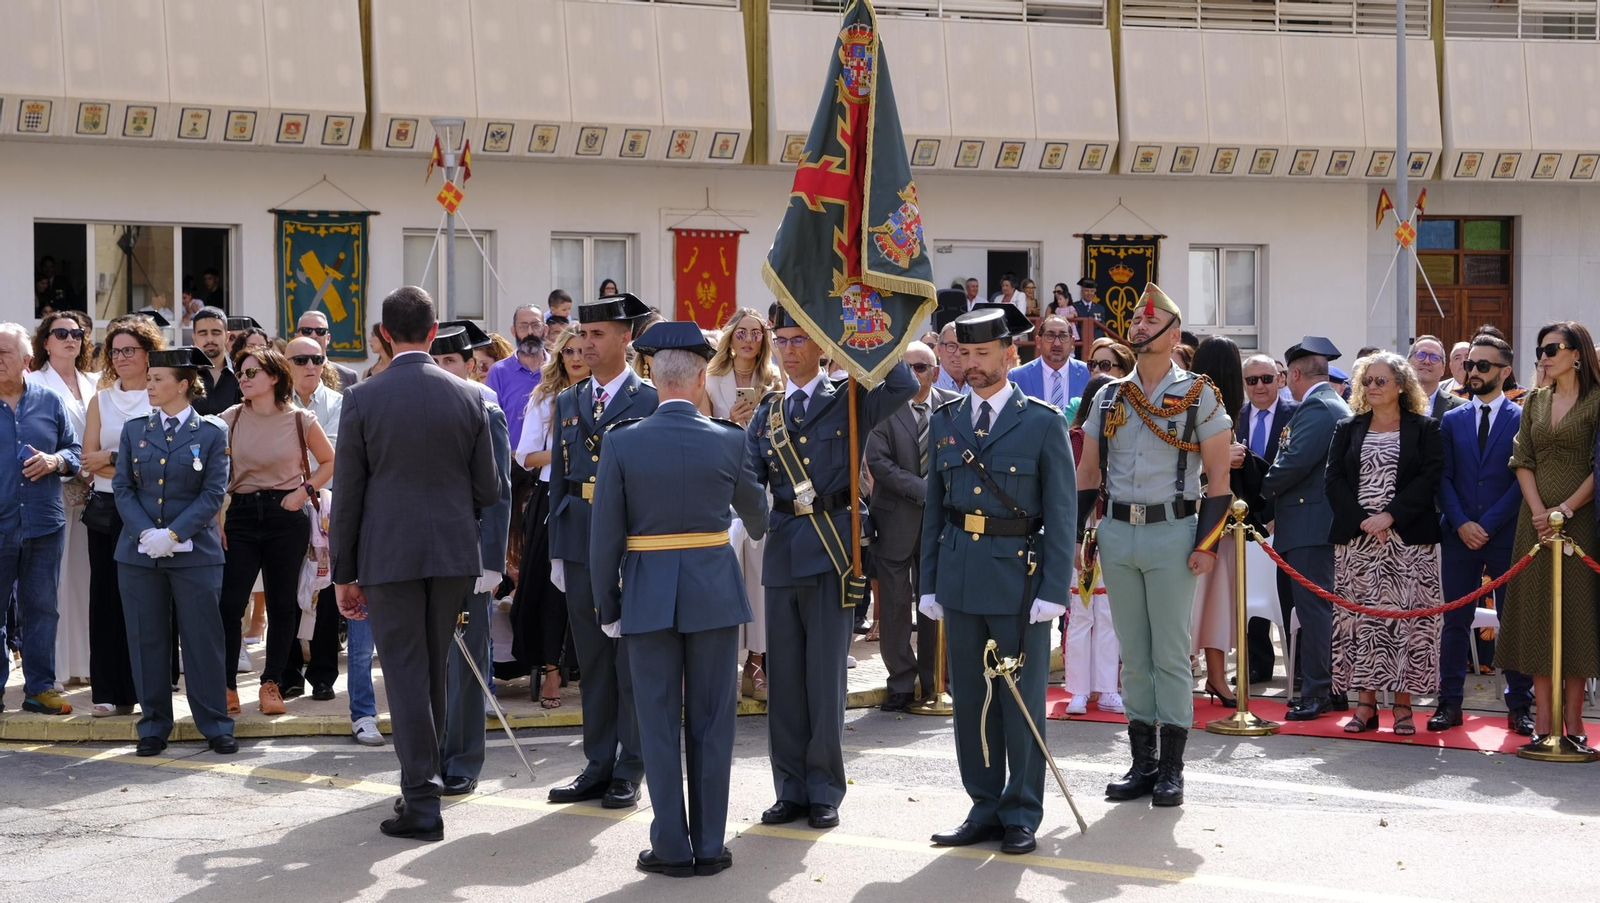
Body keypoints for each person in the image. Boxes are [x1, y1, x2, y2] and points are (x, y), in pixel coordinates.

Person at [587, 322, 768, 877]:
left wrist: (608, 606)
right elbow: (758, 519)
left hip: (646, 593)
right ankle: (710, 845)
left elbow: (604, 539)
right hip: (713, 591)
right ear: (696, 381)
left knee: (659, 721)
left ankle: (670, 845)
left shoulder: (622, 440)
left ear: (652, 376)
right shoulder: (730, 439)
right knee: (713, 721)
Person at [332, 286, 501, 842]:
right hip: (452, 553)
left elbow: (349, 492)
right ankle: (422, 788)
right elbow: (489, 488)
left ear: (383, 335)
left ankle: (422, 799)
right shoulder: (472, 396)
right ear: (434, 333)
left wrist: (343, 573)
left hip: (389, 554)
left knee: (405, 673)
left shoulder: (362, 398)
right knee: (432, 670)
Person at [749, 306, 916, 831]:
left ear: (821, 347)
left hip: (831, 549)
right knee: (786, 681)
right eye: (783, 340)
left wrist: (860, 334)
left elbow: (905, 381)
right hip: (782, 549)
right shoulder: (767, 411)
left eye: (800, 339)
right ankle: (789, 789)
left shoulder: (850, 397)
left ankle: (823, 789)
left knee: (824, 678)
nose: (789, 349)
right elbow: (750, 481)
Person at [918, 305, 1073, 854]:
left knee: (1020, 701)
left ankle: (1021, 812)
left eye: (984, 354)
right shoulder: (945, 421)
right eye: (964, 353)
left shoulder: (1041, 421)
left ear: (1011, 354)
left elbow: (1060, 512)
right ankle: (983, 805)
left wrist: (1056, 589)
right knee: (972, 701)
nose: (972, 364)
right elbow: (935, 509)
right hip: (959, 576)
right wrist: (929, 583)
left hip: (1020, 580)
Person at [1076, 285, 1231, 808]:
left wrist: (1206, 544)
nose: (1138, 327)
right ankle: (1141, 762)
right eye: (1136, 322)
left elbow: (1218, 480)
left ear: (1172, 334)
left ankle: (1172, 769)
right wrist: (1077, 537)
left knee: (1168, 653)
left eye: (1150, 321)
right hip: (1118, 531)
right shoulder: (1109, 395)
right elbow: (1089, 472)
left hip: (1172, 532)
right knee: (1133, 656)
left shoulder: (1199, 393)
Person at [547, 293, 658, 810]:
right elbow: (559, 485)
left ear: (625, 338)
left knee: (629, 658)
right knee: (591, 658)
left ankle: (630, 765)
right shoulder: (568, 400)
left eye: (596, 335)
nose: (585, 344)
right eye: (581, 335)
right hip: (577, 539)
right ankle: (597, 762)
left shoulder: (650, 400)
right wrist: (555, 551)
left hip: (630, 541)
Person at [111, 346, 236, 756]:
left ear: (183, 385)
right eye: (149, 377)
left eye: (158, 378)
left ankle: (215, 723)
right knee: (146, 640)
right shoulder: (134, 430)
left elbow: (213, 492)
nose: (149, 384)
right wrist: (147, 533)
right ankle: (153, 725)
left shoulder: (212, 432)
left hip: (195, 552)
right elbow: (124, 488)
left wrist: (175, 535)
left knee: (202, 639)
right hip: (139, 553)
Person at [1326, 352, 1445, 736]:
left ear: (1400, 385)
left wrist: (1389, 515)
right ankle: (1365, 705)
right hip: (1358, 542)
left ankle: (1404, 707)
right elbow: (1334, 481)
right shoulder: (1347, 427)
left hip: (1407, 542)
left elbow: (1429, 479)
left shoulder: (1426, 428)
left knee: (1405, 625)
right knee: (1362, 623)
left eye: (1381, 380)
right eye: (1367, 381)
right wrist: (1363, 519)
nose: (1372, 387)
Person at [1498, 322, 1600, 746]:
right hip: (1534, 522)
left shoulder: (1597, 401)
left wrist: (1566, 509)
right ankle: (1543, 724)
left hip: (1581, 522)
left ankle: (1574, 725)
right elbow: (1522, 459)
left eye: (1552, 348)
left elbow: (1599, 466)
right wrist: (1541, 511)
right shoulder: (1535, 400)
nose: (1543, 355)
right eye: (1540, 349)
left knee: (1575, 617)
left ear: (1577, 353)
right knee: (1539, 615)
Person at [217, 348, 334, 715]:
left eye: (253, 372)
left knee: (284, 604)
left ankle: (272, 683)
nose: (244, 378)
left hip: (286, 515)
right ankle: (226, 685)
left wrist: (303, 491)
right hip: (241, 514)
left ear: (274, 377)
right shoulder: (230, 418)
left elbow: (330, 461)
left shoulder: (300, 419)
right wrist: (220, 517)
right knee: (230, 604)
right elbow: (213, 469)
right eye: (241, 372)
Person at [427, 324, 514, 796]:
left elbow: (497, 492)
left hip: (467, 554)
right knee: (427, 663)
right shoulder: (416, 405)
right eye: (435, 363)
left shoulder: (485, 406)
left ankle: (462, 759)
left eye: (451, 363)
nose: (443, 372)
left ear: (470, 365)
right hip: (423, 552)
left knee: (465, 665)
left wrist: (490, 560)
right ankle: (430, 755)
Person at [1433, 334, 1533, 734]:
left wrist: (1487, 524)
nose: (1473, 372)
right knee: (1455, 622)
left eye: (1483, 366)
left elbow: (1522, 480)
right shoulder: (1452, 418)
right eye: (1470, 365)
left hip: (1507, 534)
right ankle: (1449, 703)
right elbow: (1442, 477)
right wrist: (1461, 523)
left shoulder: (1523, 417)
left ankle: (1519, 705)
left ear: (1505, 371)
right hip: (1458, 537)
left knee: (1514, 620)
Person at [1262, 336, 1354, 721]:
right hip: (1311, 523)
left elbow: (1294, 461)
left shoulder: (1318, 407)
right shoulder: (1325, 403)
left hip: (1311, 525)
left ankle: (1318, 692)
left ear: (1295, 374)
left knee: (1314, 610)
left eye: (1286, 377)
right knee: (1318, 610)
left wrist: (1259, 486)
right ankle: (1331, 690)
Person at [865, 341, 957, 711]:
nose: (914, 374)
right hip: (894, 519)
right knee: (896, 605)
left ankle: (935, 682)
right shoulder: (883, 406)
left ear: (935, 371)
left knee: (934, 604)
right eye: (907, 368)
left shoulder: (954, 405)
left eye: (922, 367)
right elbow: (880, 463)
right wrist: (926, 491)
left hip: (941, 523)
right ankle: (901, 683)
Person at [0, 322, 82, 715]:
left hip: (44, 523)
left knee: (42, 608)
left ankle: (39, 688)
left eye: (4, 353)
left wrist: (56, 460)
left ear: (26, 360)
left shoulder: (50, 401)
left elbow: (75, 450)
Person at [80, 317, 161, 717]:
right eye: (115, 350)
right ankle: (107, 691)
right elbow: (88, 461)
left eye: (130, 349)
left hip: (152, 511)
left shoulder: (159, 396)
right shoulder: (101, 400)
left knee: (146, 603)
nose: (121, 357)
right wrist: (128, 463)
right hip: (107, 512)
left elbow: (161, 463)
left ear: (148, 354)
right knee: (106, 600)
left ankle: (145, 691)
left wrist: (115, 459)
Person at [705, 307, 783, 700]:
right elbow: (701, 429)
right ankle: (727, 667)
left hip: (761, 485)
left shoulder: (774, 380)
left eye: (757, 333)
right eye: (743, 332)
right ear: (731, 337)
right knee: (726, 576)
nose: (750, 338)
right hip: (722, 488)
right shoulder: (711, 378)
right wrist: (731, 424)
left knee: (759, 579)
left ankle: (757, 663)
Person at [512, 325, 586, 708]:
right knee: (549, 588)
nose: (575, 358)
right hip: (552, 497)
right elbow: (524, 456)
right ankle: (551, 670)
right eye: (568, 351)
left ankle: (591, 668)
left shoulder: (610, 396)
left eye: (581, 351)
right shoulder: (546, 398)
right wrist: (568, 454)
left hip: (599, 498)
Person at [27, 312, 98, 689]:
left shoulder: (95, 381)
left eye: (77, 333)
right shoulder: (33, 382)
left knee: (84, 576)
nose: (71, 339)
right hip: (50, 487)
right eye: (61, 333)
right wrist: (67, 466)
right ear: (45, 341)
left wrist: (92, 469)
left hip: (93, 488)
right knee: (52, 581)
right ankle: (52, 668)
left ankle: (84, 663)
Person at [1231, 353, 1298, 683]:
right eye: (1251, 380)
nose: (1259, 386)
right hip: (1246, 522)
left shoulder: (1296, 415)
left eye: (1267, 379)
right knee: (1250, 595)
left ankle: (1297, 666)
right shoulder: (1234, 418)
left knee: (1287, 598)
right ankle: (1257, 663)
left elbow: (1302, 471)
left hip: (1284, 521)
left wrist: (1281, 516)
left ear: (1280, 379)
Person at [283, 336, 344, 699]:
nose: (310, 366)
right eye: (301, 359)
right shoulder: (270, 403)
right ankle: (288, 671)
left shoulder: (340, 402)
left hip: (329, 507)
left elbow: (334, 453)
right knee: (285, 589)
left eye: (317, 359)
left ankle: (323, 675)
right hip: (287, 505)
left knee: (328, 589)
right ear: (285, 363)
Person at [1188, 336, 1247, 707]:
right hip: (1198, 516)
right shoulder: (1195, 405)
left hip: (1218, 520)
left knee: (1214, 603)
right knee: (1200, 603)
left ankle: (1215, 677)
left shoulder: (1223, 410)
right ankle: (1207, 676)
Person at [1064, 374, 1121, 715]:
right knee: (1082, 612)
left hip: (1114, 527)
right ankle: (1078, 689)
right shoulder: (1074, 439)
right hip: (1083, 527)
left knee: (1111, 613)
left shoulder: (1125, 439)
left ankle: (1107, 687)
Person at [1008, 314, 1090, 411]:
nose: (1057, 343)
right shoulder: (1017, 377)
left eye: (1063, 336)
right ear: (1039, 341)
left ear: (1072, 342)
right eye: (1050, 336)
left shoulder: (1088, 374)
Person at [189, 308, 242, 416]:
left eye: (216, 333)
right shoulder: (185, 375)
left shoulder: (241, 374)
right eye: (203, 333)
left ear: (227, 337)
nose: (210, 339)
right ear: (194, 338)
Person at [295, 310, 359, 389]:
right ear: (297, 337)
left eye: (320, 331)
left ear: (328, 338)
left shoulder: (348, 377)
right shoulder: (286, 373)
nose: (313, 335)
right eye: (307, 331)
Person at [1410, 336, 1463, 419]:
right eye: (1420, 355)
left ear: (1443, 369)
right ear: (1408, 362)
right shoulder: (1393, 403)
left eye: (1434, 358)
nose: (1426, 361)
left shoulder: (1460, 408)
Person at [933, 323, 969, 395]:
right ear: (938, 349)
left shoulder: (981, 382)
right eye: (951, 346)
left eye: (963, 347)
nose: (958, 354)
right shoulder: (928, 384)